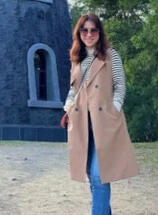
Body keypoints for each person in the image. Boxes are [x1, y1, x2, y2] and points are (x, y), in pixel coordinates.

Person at [65, 13, 139, 214]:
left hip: (104, 122)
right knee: (91, 175)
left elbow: (120, 86)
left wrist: (114, 109)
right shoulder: (76, 58)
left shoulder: (110, 54)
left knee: (100, 176)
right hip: (81, 122)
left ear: (99, 32)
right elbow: (73, 89)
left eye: (93, 30)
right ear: (79, 32)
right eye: (85, 30)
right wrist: (68, 104)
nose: (89, 34)